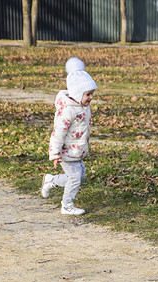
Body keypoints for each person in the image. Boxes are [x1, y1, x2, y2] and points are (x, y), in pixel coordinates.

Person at [41, 59, 98, 215]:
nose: (91, 97)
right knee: (74, 178)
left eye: (92, 94)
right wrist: (55, 154)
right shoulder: (68, 111)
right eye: (88, 94)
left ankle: (51, 180)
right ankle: (67, 205)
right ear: (77, 93)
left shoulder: (83, 106)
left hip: (77, 150)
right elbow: (58, 133)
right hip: (66, 152)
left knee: (79, 177)